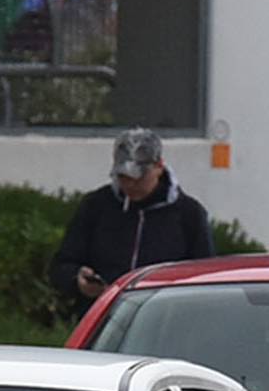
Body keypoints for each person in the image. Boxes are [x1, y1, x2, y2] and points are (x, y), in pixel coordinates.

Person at [50, 128, 214, 308]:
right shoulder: (95, 206)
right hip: (104, 317)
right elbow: (61, 265)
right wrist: (77, 280)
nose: (130, 184)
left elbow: (204, 278)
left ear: (159, 166)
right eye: (123, 177)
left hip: (165, 318)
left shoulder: (189, 213)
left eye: (139, 177)